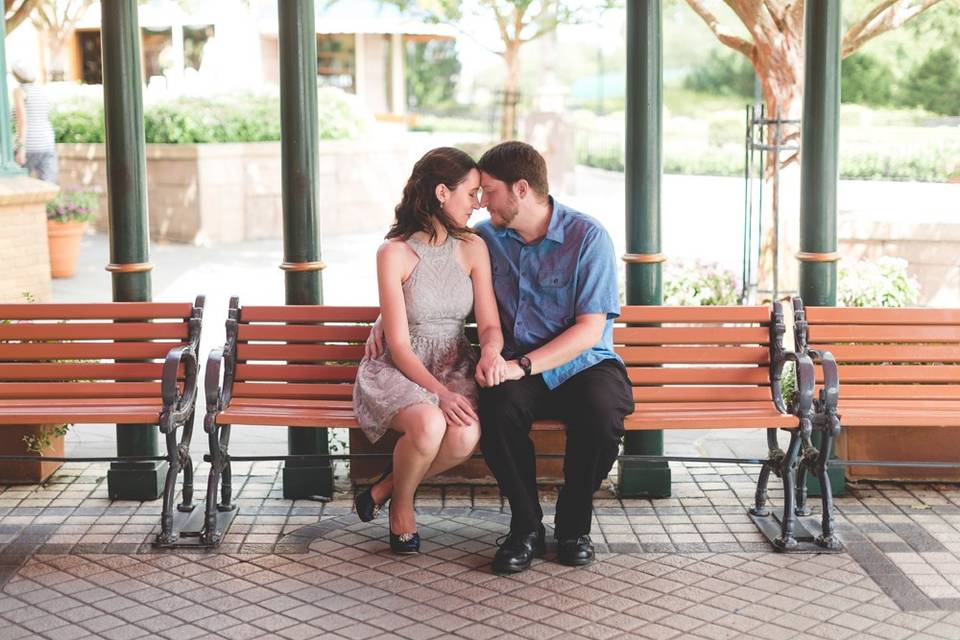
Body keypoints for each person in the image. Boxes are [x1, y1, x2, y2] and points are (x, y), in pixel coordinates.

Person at [368, 141, 634, 574]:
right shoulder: (486, 237)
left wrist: (520, 365)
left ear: (521, 190)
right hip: (516, 362)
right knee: (498, 406)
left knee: (603, 415)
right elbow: (425, 274)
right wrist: (383, 319)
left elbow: (589, 331)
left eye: (487, 191)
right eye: (475, 192)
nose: (479, 202)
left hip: (583, 364)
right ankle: (525, 528)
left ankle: (573, 525)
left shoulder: (588, 237)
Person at [352, 147, 507, 554]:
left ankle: (386, 486)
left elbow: (489, 323)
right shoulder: (394, 253)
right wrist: (440, 395)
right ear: (442, 193)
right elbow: (399, 345)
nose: (478, 203)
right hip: (400, 367)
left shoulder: (473, 247)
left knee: (465, 434)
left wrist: (491, 350)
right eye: (471, 193)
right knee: (430, 425)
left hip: (453, 362)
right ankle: (402, 504)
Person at [11, 61, 58, 183]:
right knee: (47, 186)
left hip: (30, 145)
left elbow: (22, 120)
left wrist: (21, 148)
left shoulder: (19, 91)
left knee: (18, 183)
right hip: (47, 143)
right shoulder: (42, 90)